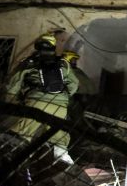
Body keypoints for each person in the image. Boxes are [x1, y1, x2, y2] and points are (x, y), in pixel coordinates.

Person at [5, 33, 79, 165]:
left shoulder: (28, 63)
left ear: (37, 46)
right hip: (59, 107)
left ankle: (19, 162)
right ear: (54, 47)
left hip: (36, 103)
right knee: (58, 136)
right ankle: (64, 162)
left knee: (23, 134)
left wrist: (12, 101)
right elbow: (74, 84)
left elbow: (13, 84)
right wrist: (63, 98)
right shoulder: (63, 63)